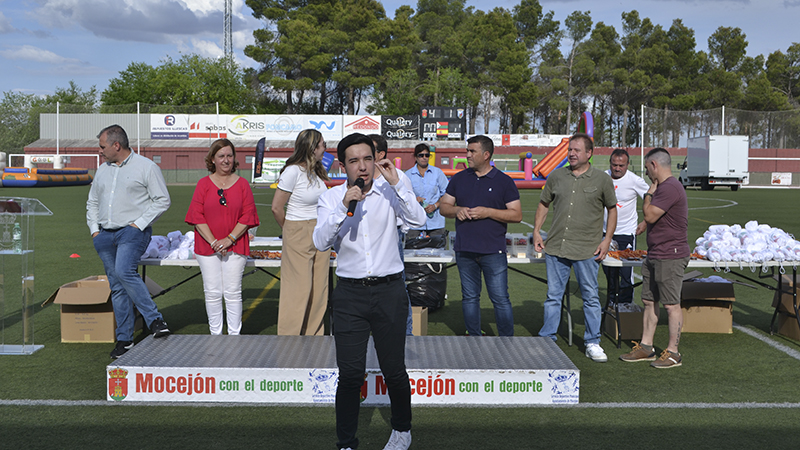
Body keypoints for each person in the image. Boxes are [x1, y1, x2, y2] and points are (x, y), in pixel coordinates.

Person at [313, 133, 426, 450]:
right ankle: (346, 442)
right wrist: (345, 206)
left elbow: (419, 220)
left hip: (390, 291)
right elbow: (320, 242)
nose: (363, 167)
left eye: (367, 158)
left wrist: (399, 186)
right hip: (349, 295)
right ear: (342, 165)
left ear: (376, 159)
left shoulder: (391, 188)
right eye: (354, 161)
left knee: (394, 370)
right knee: (350, 374)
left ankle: (402, 430)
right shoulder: (332, 198)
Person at [87, 124, 171, 359]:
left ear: (117, 145)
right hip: (104, 235)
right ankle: (124, 339)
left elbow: (162, 200)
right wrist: (95, 231)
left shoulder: (146, 167)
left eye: (102, 146)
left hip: (132, 232)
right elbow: (92, 202)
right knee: (116, 285)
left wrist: (139, 224)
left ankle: (155, 319)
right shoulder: (102, 170)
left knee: (125, 272)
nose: (100, 150)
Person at [533, 133, 617, 363]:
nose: (571, 153)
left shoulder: (601, 179)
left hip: (587, 249)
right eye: (570, 150)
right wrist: (536, 231)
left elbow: (613, 209)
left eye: (576, 150)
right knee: (553, 296)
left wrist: (606, 239)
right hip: (556, 247)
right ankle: (547, 338)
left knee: (590, 296)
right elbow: (543, 203)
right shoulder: (556, 176)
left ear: (589, 153)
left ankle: (593, 342)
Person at [439, 135, 522, 337]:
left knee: (500, 298)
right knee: (469, 298)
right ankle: (474, 338)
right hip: (465, 250)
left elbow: (516, 214)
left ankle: (507, 340)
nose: (467, 155)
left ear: (486, 155)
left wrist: (488, 212)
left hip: (493, 251)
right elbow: (444, 207)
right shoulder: (459, 178)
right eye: (467, 150)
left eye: (472, 151)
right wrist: (457, 210)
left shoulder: (504, 181)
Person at [620, 148, 690, 369]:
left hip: (671, 255)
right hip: (656, 253)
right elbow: (656, 218)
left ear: (653, 165)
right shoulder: (666, 187)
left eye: (648, 168)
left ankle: (673, 353)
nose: (647, 174)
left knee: (671, 305)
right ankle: (647, 347)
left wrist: (649, 193)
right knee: (649, 301)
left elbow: (650, 213)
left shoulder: (668, 187)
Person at [185, 139, 259, 336]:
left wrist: (229, 239)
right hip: (207, 246)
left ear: (234, 158)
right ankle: (215, 335)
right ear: (213, 159)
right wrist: (214, 243)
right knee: (213, 292)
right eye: (221, 156)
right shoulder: (203, 184)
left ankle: (234, 336)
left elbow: (248, 215)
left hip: (235, 245)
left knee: (233, 292)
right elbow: (196, 215)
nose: (226, 160)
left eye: (229, 155)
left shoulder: (242, 184)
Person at [271, 129, 331, 336]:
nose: (326, 148)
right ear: (312, 147)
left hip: (319, 230)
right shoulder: (292, 172)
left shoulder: (316, 172)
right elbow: (277, 207)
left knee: (319, 288)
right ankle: (289, 339)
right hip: (298, 228)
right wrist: (289, 230)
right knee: (298, 289)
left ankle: (314, 336)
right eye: (323, 144)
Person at [368, 134, 415, 336]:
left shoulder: (399, 177)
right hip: (366, 235)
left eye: (369, 151)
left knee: (396, 285)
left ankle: (406, 332)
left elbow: (411, 210)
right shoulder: (362, 175)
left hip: (392, 235)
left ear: (381, 154)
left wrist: (399, 234)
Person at [602, 149, 649, 305]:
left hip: (626, 233)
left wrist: (645, 222)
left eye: (621, 165)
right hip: (604, 233)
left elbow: (653, 200)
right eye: (614, 165)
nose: (617, 168)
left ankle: (626, 306)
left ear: (628, 164)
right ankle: (611, 305)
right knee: (609, 271)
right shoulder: (602, 177)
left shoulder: (634, 180)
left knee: (625, 272)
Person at [405, 143, 449, 239]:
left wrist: (435, 205)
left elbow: (447, 194)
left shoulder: (438, 173)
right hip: (414, 223)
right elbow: (403, 197)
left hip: (436, 223)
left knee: (438, 252)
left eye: (427, 155)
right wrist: (414, 200)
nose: (424, 158)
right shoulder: (408, 175)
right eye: (421, 155)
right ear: (416, 157)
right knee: (411, 252)